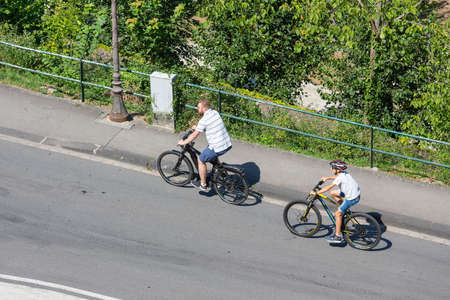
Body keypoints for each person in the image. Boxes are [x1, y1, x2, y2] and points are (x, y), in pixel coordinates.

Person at [177, 98, 232, 191]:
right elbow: (209, 126)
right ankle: (220, 173)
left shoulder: (204, 120)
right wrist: (198, 127)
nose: (197, 109)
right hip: (226, 143)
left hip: (218, 146)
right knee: (209, 153)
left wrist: (183, 142)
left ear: (203, 108)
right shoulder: (215, 113)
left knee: (201, 159)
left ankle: (203, 184)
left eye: (198, 107)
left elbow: (194, 135)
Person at [310, 159, 360, 244]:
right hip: (354, 193)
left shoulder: (340, 177)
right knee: (333, 193)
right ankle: (344, 211)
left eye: (332, 167)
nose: (331, 169)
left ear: (337, 169)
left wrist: (316, 192)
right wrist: (327, 178)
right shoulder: (344, 173)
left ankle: (338, 236)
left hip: (351, 198)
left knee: (337, 213)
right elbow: (336, 179)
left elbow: (327, 188)